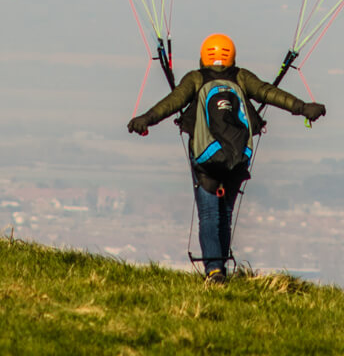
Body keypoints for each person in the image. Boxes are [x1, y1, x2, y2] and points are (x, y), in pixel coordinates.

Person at [128, 32, 326, 283]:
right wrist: (303, 108)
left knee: (209, 214)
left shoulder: (196, 79)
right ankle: (219, 267)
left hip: (206, 159)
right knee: (225, 212)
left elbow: (172, 102)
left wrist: (145, 120)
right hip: (237, 157)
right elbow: (269, 93)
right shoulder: (242, 77)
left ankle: (215, 270)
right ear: (231, 56)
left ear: (203, 57)